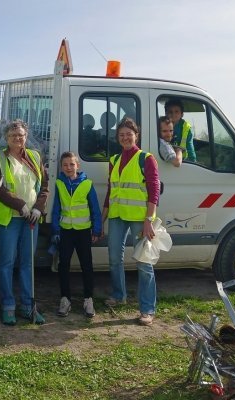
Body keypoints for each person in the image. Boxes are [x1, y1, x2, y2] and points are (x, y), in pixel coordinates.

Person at [0, 120, 49, 326]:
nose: (18, 138)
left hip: (31, 218)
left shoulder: (34, 156)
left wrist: (38, 207)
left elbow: (44, 186)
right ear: (6, 138)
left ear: (26, 137)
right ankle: (8, 307)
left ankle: (27, 306)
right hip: (9, 219)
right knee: (6, 263)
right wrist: (19, 204)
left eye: (21, 135)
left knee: (27, 264)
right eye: (13, 135)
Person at [102, 117, 161, 326]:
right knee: (114, 258)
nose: (125, 137)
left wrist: (149, 220)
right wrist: (103, 216)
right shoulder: (114, 160)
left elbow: (154, 191)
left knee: (144, 263)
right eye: (121, 135)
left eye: (129, 134)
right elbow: (111, 190)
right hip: (117, 215)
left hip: (139, 218)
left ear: (137, 135)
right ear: (118, 138)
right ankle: (119, 296)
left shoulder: (146, 158)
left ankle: (147, 309)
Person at [51, 151, 102, 318]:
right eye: (65, 165)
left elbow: (95, 208)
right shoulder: (59, 183)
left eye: (71, 164)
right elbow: (56, 209)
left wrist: (96, 229)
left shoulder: (87, 183)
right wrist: (55, 230)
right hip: (65, 231)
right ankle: (65, 299)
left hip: (83, 232)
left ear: (77, 165)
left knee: (86, 266)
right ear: (61, 167)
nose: (68, 167)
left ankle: (88, 300)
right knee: (63, 265)